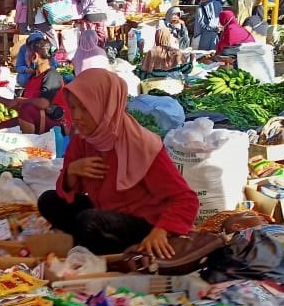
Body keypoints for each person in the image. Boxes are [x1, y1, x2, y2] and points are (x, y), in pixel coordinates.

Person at [38, 69, 199, 257]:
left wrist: (161, 231)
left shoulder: (141, 144)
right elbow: (69, 189)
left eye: (85, 108)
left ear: (105, 106)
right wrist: (73, 171)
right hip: (105, 210)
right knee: (49, 201)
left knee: (88, 222)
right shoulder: (84, 138)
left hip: (142, 223)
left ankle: (107, 250)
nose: (77, 117)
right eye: (73, 107)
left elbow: (186, 200)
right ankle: (89, 241)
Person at [0, 38, 65, 134]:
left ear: (35, 56)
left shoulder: (52, 75)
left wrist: (20, 100)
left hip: (53, 126)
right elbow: (18, 104)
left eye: (27, 53)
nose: (25, 56)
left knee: (27, 109)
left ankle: (30, 144)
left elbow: (44, 103)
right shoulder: (33, 77)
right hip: (34, 121)